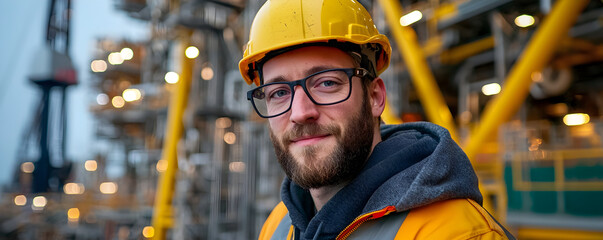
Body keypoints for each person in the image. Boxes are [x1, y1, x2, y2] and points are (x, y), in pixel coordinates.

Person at [238, 0, 515, 239]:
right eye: (278, 92)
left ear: (374, 97)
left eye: (326, 83)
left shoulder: (456, 233)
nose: (300, 112)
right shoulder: (279, 224)